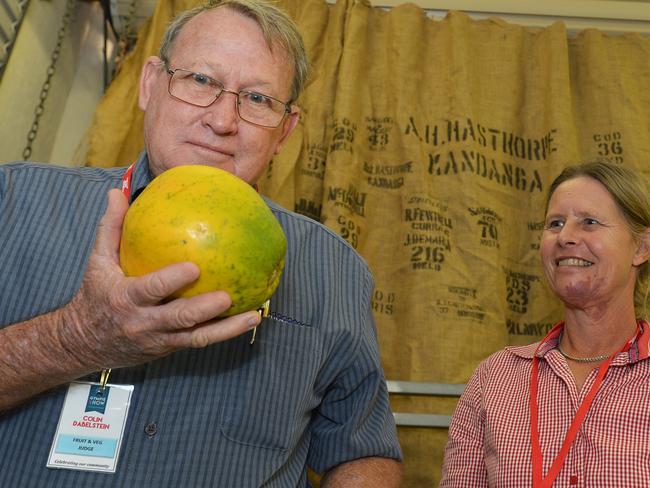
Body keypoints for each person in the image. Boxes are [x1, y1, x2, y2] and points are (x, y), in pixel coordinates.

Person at [0, 1, 403, 486]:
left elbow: (361, 453)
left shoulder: (334, 269)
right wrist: (77, 337)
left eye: (257, 99)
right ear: (151, 84)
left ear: (285, 131)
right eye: (201, 81)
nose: (222, 120)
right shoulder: (14, 203)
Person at [440, 161, 650, 487]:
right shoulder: (493, 380)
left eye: (589, 222)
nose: (565, 237)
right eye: (555, 223)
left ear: (641, 247)